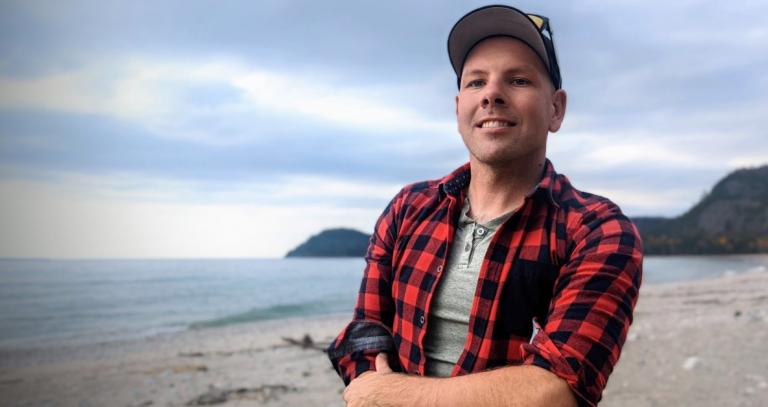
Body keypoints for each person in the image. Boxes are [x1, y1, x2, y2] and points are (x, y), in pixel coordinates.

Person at [327, 5, 643, 407]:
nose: (492, 94)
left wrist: (393, 395)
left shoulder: (598, 231)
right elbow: (366, 334)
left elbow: (559, 390)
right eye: (476, 82)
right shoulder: (408, 208)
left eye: (519, 79)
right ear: (458, 107)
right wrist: (371, 381)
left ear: (556, 109)